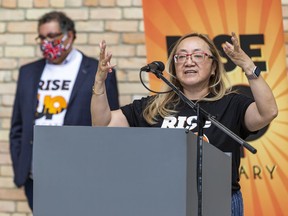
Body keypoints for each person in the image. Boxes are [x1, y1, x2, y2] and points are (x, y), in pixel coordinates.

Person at [91, 32, 278, 215]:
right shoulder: (152, 107)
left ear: (214, 67)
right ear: (174, 66)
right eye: (181, 57)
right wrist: (99, 83)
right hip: (164, 200)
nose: (189, 61)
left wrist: (248, 67)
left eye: (198, 55)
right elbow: (104, 125)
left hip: (218, 200)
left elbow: (267, 112)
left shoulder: (231, 104)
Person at [9, 11, 119, 211]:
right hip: (35, 177)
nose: (46, 42)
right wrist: (21, 166)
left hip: (80, 173)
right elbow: (18, 126)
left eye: (52, 36)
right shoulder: (28, 72)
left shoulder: (97, 71)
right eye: (42, 37)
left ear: (70, 35)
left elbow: (110, 125)